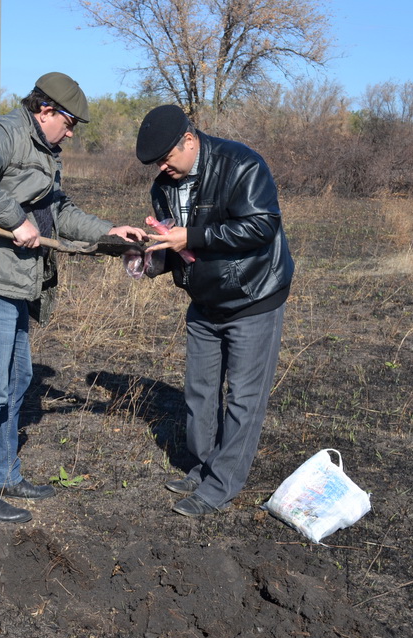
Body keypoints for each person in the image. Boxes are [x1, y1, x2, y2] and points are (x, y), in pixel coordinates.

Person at [0, 72, 147, 523]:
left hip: (13, 285)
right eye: (69, 123)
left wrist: (110, 234)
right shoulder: (4, 133)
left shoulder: (45, 153)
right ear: (46, 109)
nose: (71, 134)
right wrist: (14, 219)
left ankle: (4, 474)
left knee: (16, 382)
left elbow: (60, 213)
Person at [134, 104, 294, 517]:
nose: (163, 168)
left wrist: (196, 235)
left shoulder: (241, 164)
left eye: (167, 158)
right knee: (200, 391)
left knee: (243, 398)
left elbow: (262, 225)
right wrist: (147, 258)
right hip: (204, 300)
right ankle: (203, 466)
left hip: (253, 295)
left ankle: (221, 486)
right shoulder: (164, 187)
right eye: (157, 163)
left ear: (190, 140)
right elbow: (178, 247)